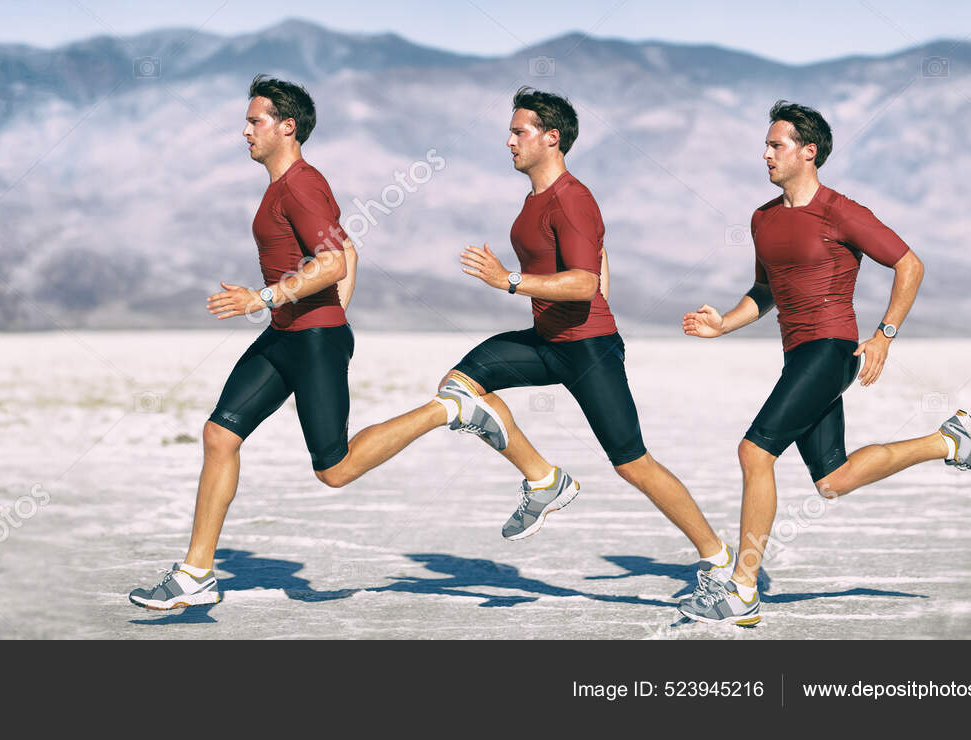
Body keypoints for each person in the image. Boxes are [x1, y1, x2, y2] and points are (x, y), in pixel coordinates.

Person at [307, 87, 728, 584]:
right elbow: (599, 256)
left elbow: (585, 281)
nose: (509, 141)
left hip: (588, 351)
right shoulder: (537, 200)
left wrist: (508, 280)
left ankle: (718, 558)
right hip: (547, 341)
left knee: (632, 463)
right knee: (461, 386)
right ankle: (543, 479)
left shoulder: (571, 198)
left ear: (552, 138)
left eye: (518, 131)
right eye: (510, 131)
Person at [678, 100, 971, 626]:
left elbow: (909, 264)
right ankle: (951, 441)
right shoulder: (762, 219)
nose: (765, 154)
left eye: (776, 145)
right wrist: (723, 325)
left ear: (809, 152)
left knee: (754, 452)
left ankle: (742, 589)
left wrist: (884, 335)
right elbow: (766, 291)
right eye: (765, 145)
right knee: (833, 479)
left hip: (832, 350)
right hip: (798, 354)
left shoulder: (839, 210)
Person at [129, 74, 360, 609]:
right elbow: (347, 250)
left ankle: (447, 412)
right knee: (219, 435)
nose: (244, 131)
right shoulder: (286, 185)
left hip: (313, 339)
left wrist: (268, 298)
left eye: (255, 121)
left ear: (287, 126)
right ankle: (196, 574)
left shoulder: (301, 183)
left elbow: (333, 262)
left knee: (336, 469)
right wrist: (317, 306)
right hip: (287, 336)